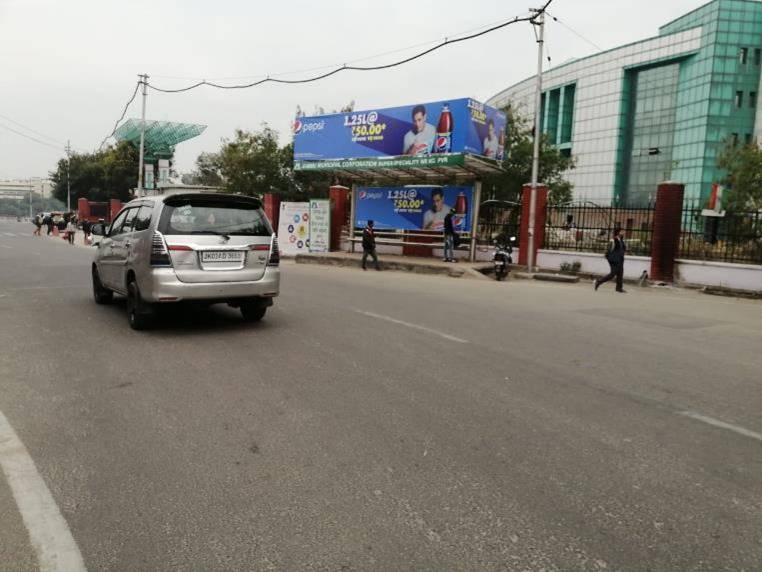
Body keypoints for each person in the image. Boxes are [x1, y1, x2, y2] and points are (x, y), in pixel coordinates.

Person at [595, 226, 627, 293]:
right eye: (622, 231)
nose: (624, 232)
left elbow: (622, 249)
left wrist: (623, 252)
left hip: (620, 259)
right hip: (614, 260)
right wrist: (609, 257)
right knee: (612, 274)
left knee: (620, 273)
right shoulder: (613, 240)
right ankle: (599, 281)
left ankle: (619, 288)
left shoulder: (621, 239)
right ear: (618, 232)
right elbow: (608, 250)